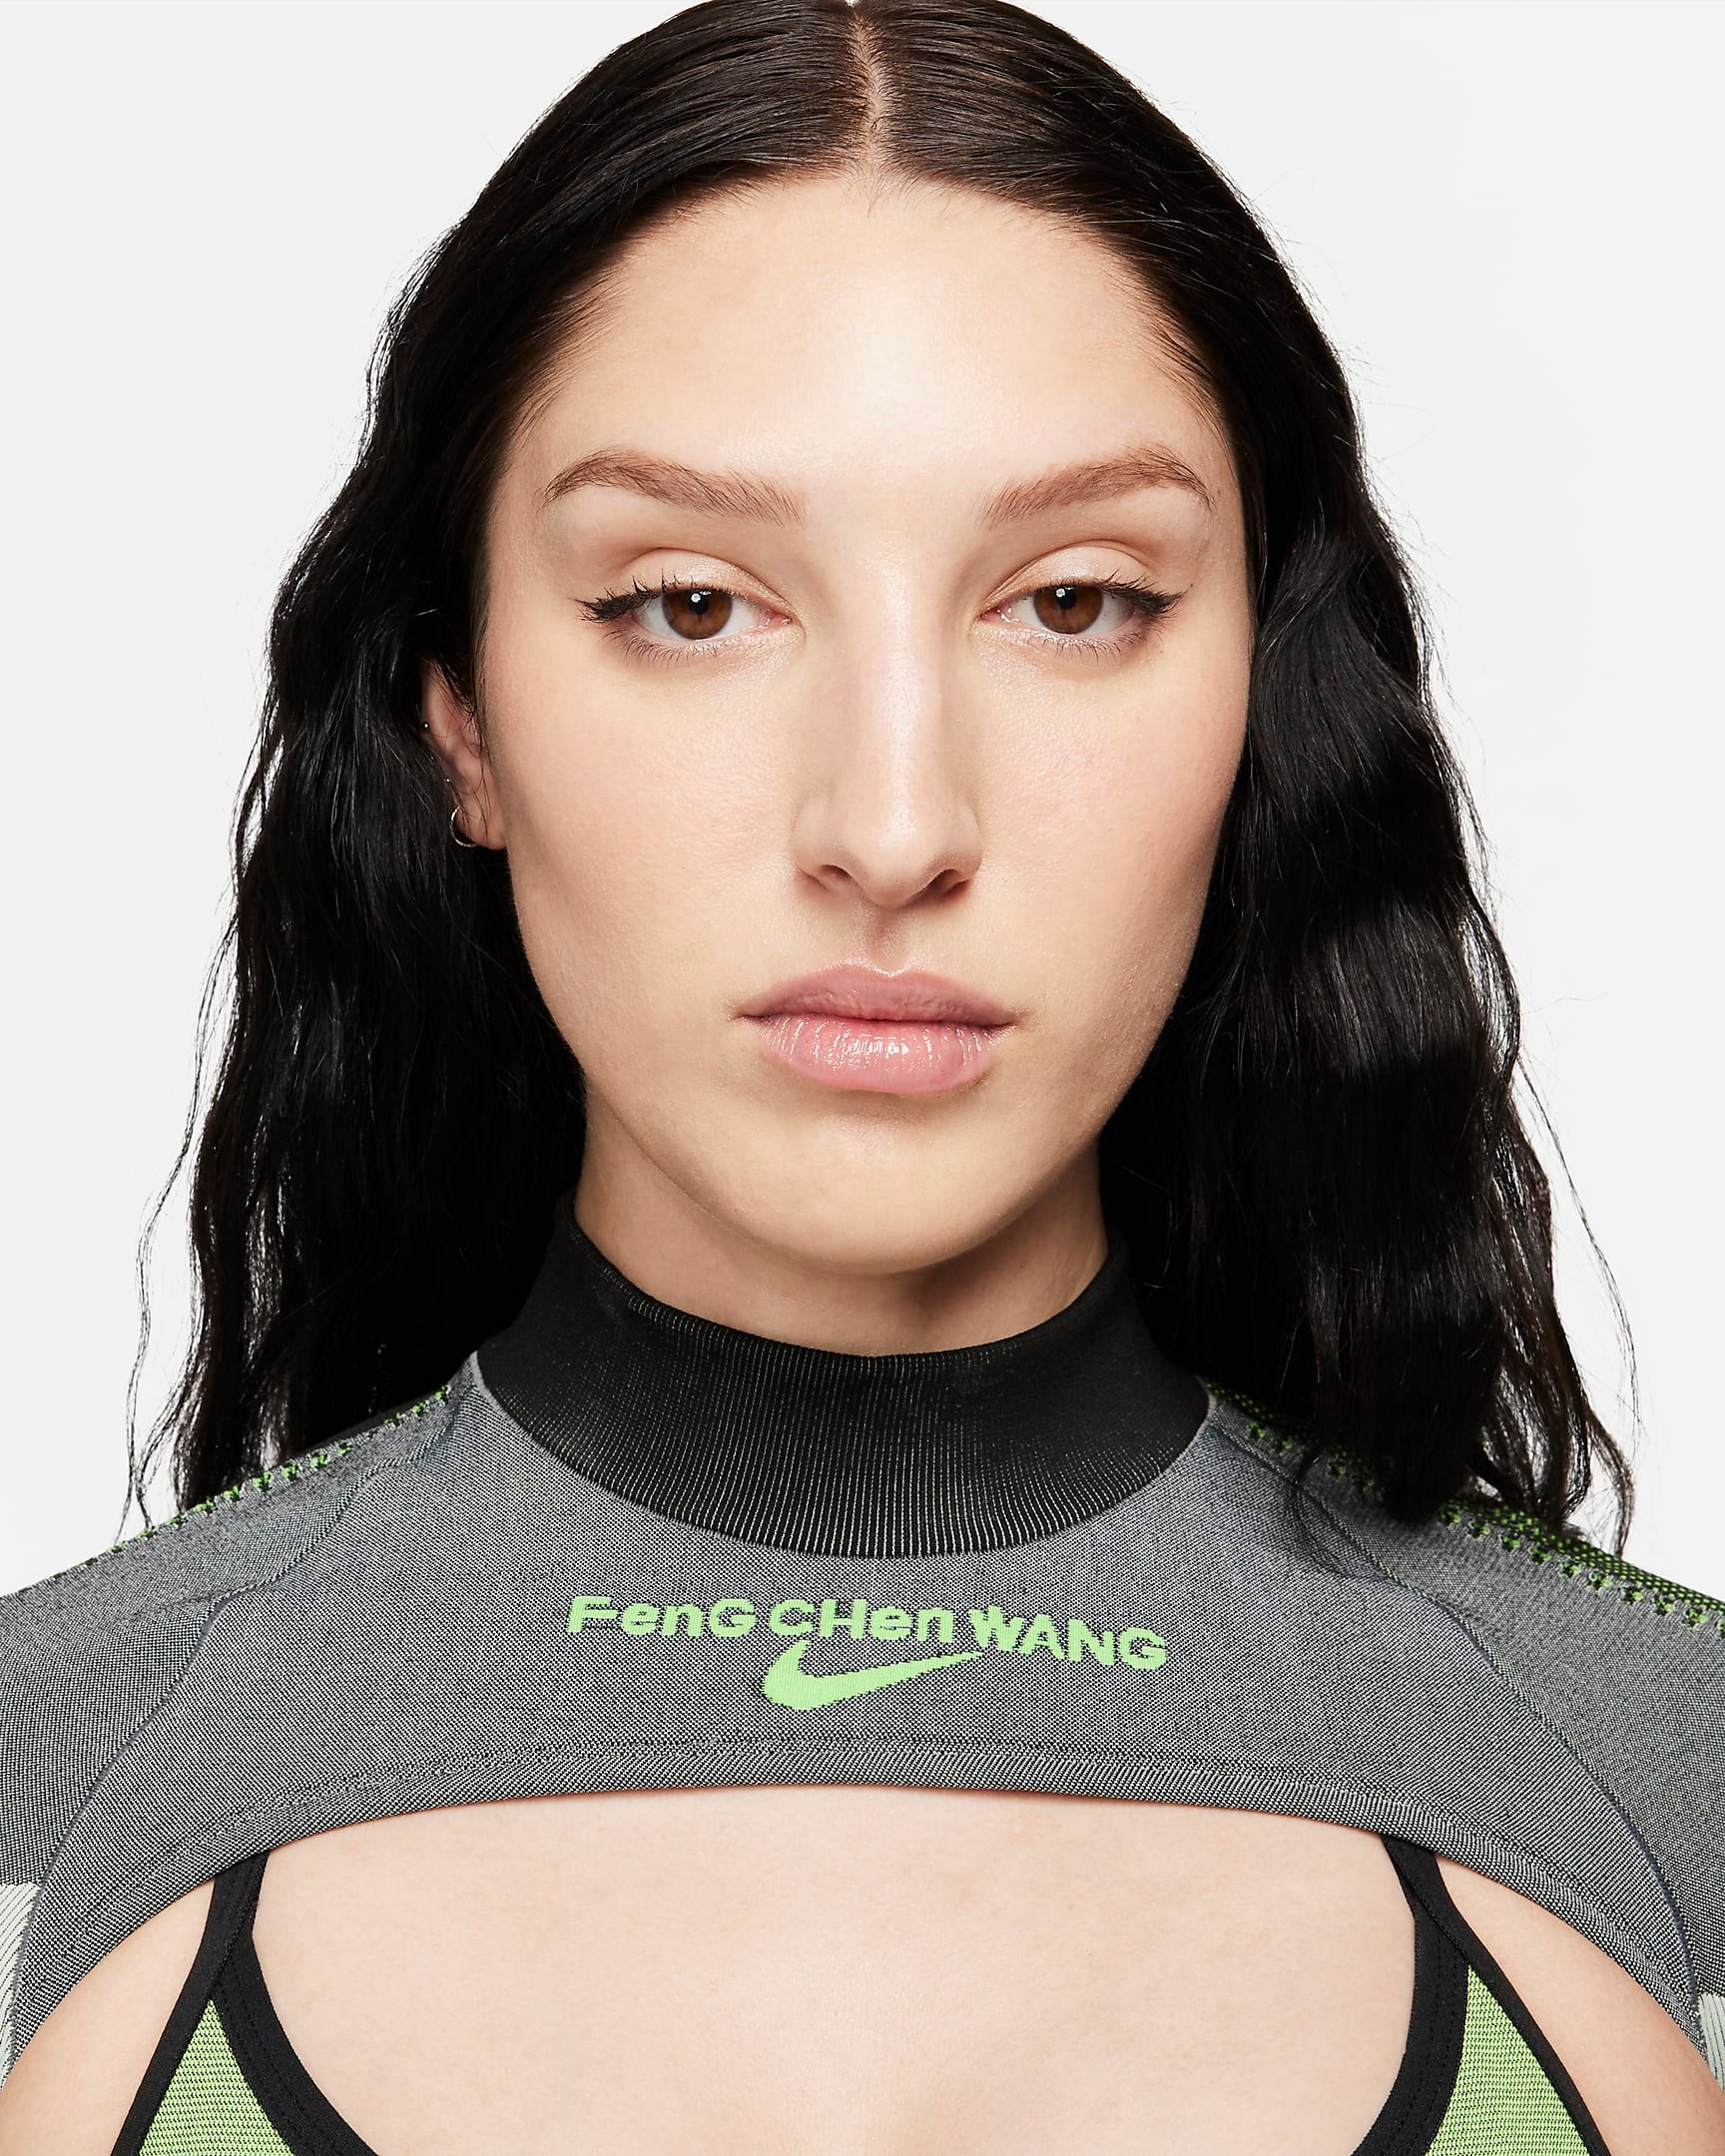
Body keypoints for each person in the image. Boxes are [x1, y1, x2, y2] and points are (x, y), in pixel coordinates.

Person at [2, 0, 1721, 2148]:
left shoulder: (1672, 1799)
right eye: (691, 605)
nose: (894, 826)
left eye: (1075, 601)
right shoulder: (41, 1811)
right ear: (460, 720)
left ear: (1262, 707)